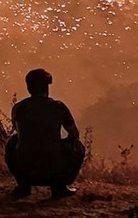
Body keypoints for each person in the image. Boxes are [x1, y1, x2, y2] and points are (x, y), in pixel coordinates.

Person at [5, 68, 85, 198]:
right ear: (46, 87)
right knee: (78, 146)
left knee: (12, 141)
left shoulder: (19, 108)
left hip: (26, 166)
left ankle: (23, 185)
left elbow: (18, 130)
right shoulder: (58, 107)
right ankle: (60, 186)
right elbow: (74, 134)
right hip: (52, 167)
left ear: (28, 87)